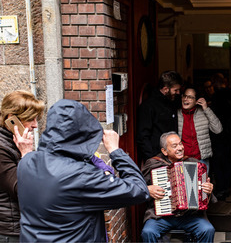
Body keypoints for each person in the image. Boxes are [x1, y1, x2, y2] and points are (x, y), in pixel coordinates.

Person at [17, 99, 150, 242]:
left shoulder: (26, 162)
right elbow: (139, 190)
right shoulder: (81, 175)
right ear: (82, 133)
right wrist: (115, 151)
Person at [141, 132, 215, 242]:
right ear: (164, 151)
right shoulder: (153, 164)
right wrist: (148, 189)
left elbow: (205, 197)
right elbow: (138, 187)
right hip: (161, 217)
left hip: (189, 216)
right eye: (174, 146)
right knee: (148, 232)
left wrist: (208, 190)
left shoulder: (194, 163)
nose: (180, 148)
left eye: (181, 144)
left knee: (208, 230)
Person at [0, 90, 45, 242]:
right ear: (10, 119)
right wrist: (26, 154)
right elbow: (23, 190)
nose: (35, 125)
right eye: (30, 119)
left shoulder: (14, 143)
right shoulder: (2, 149)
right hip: (11, 232)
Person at [137, 71, 182, 161]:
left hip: (173, 156)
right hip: (157, 157)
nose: (178, 93)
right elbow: (143, 136)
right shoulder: (148, 106)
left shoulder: (172, 101)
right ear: (165, 89)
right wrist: (153, 159)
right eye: (175, 90)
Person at [178, 87, 222, 172]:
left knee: (202, 185)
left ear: (196, 101)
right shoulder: (177, 113)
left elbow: (218, 129)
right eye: (185, 96)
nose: (186, 99)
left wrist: (206, 108)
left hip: (201, 160)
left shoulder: (203, 113)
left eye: (190, 97)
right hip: (182, 160)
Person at [210, 73, 231, 200]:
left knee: (218, 161)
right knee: (226, 160)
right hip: (228, 132)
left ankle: (221, 188)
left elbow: (214, 115)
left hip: (218, 133)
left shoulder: (217, 96)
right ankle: (226, 187)